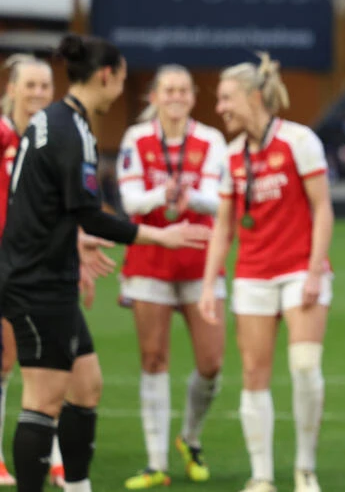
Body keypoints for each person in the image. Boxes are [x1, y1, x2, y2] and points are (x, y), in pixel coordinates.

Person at [0, 35, 210, 492]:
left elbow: (50, 206)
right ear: (106, 76)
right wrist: (160, 235)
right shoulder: (71, 131)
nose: (124, 87)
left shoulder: (55, 121)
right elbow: (88, 211)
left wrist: (77, 239)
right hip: (36, 282)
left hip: (49, 274)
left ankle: (77, 486)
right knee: (43, 400)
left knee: (87, 386)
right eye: (122, 76)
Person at [199, 52, 333, 492]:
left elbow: (322, 208)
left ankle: (307, 469)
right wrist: (208, 283)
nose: (220, 108)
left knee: (304, 365)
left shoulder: (298, 140)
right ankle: (261, 475)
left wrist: (314, 273)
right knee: (254, 374)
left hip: (300, 270)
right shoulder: (231, 155)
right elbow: (223, 225)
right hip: (253, 274)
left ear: (254, 96)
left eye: (225, 98)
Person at [116, 65, 227, 489]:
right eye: (169, 90)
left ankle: (190, 438)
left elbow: (221, 201)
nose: (176, 96)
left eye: (183, 89)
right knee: (153, 359)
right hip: (150, 258)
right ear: (156, 96)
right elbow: (129, 200)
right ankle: (156, 461)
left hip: (200, 257)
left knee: (211, 363)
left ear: (193, 97)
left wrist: (190, 197)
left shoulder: (210, 140)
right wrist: (163, 194)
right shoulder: (136, 139)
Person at [0, 54, 69, 488]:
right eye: (30, 85)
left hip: (43, 265)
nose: (39, 93)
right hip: (9, 263)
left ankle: (55, 455)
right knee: (6, 359)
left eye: (45, 86)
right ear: (10, 89)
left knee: (49, 359)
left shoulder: (53, 140)